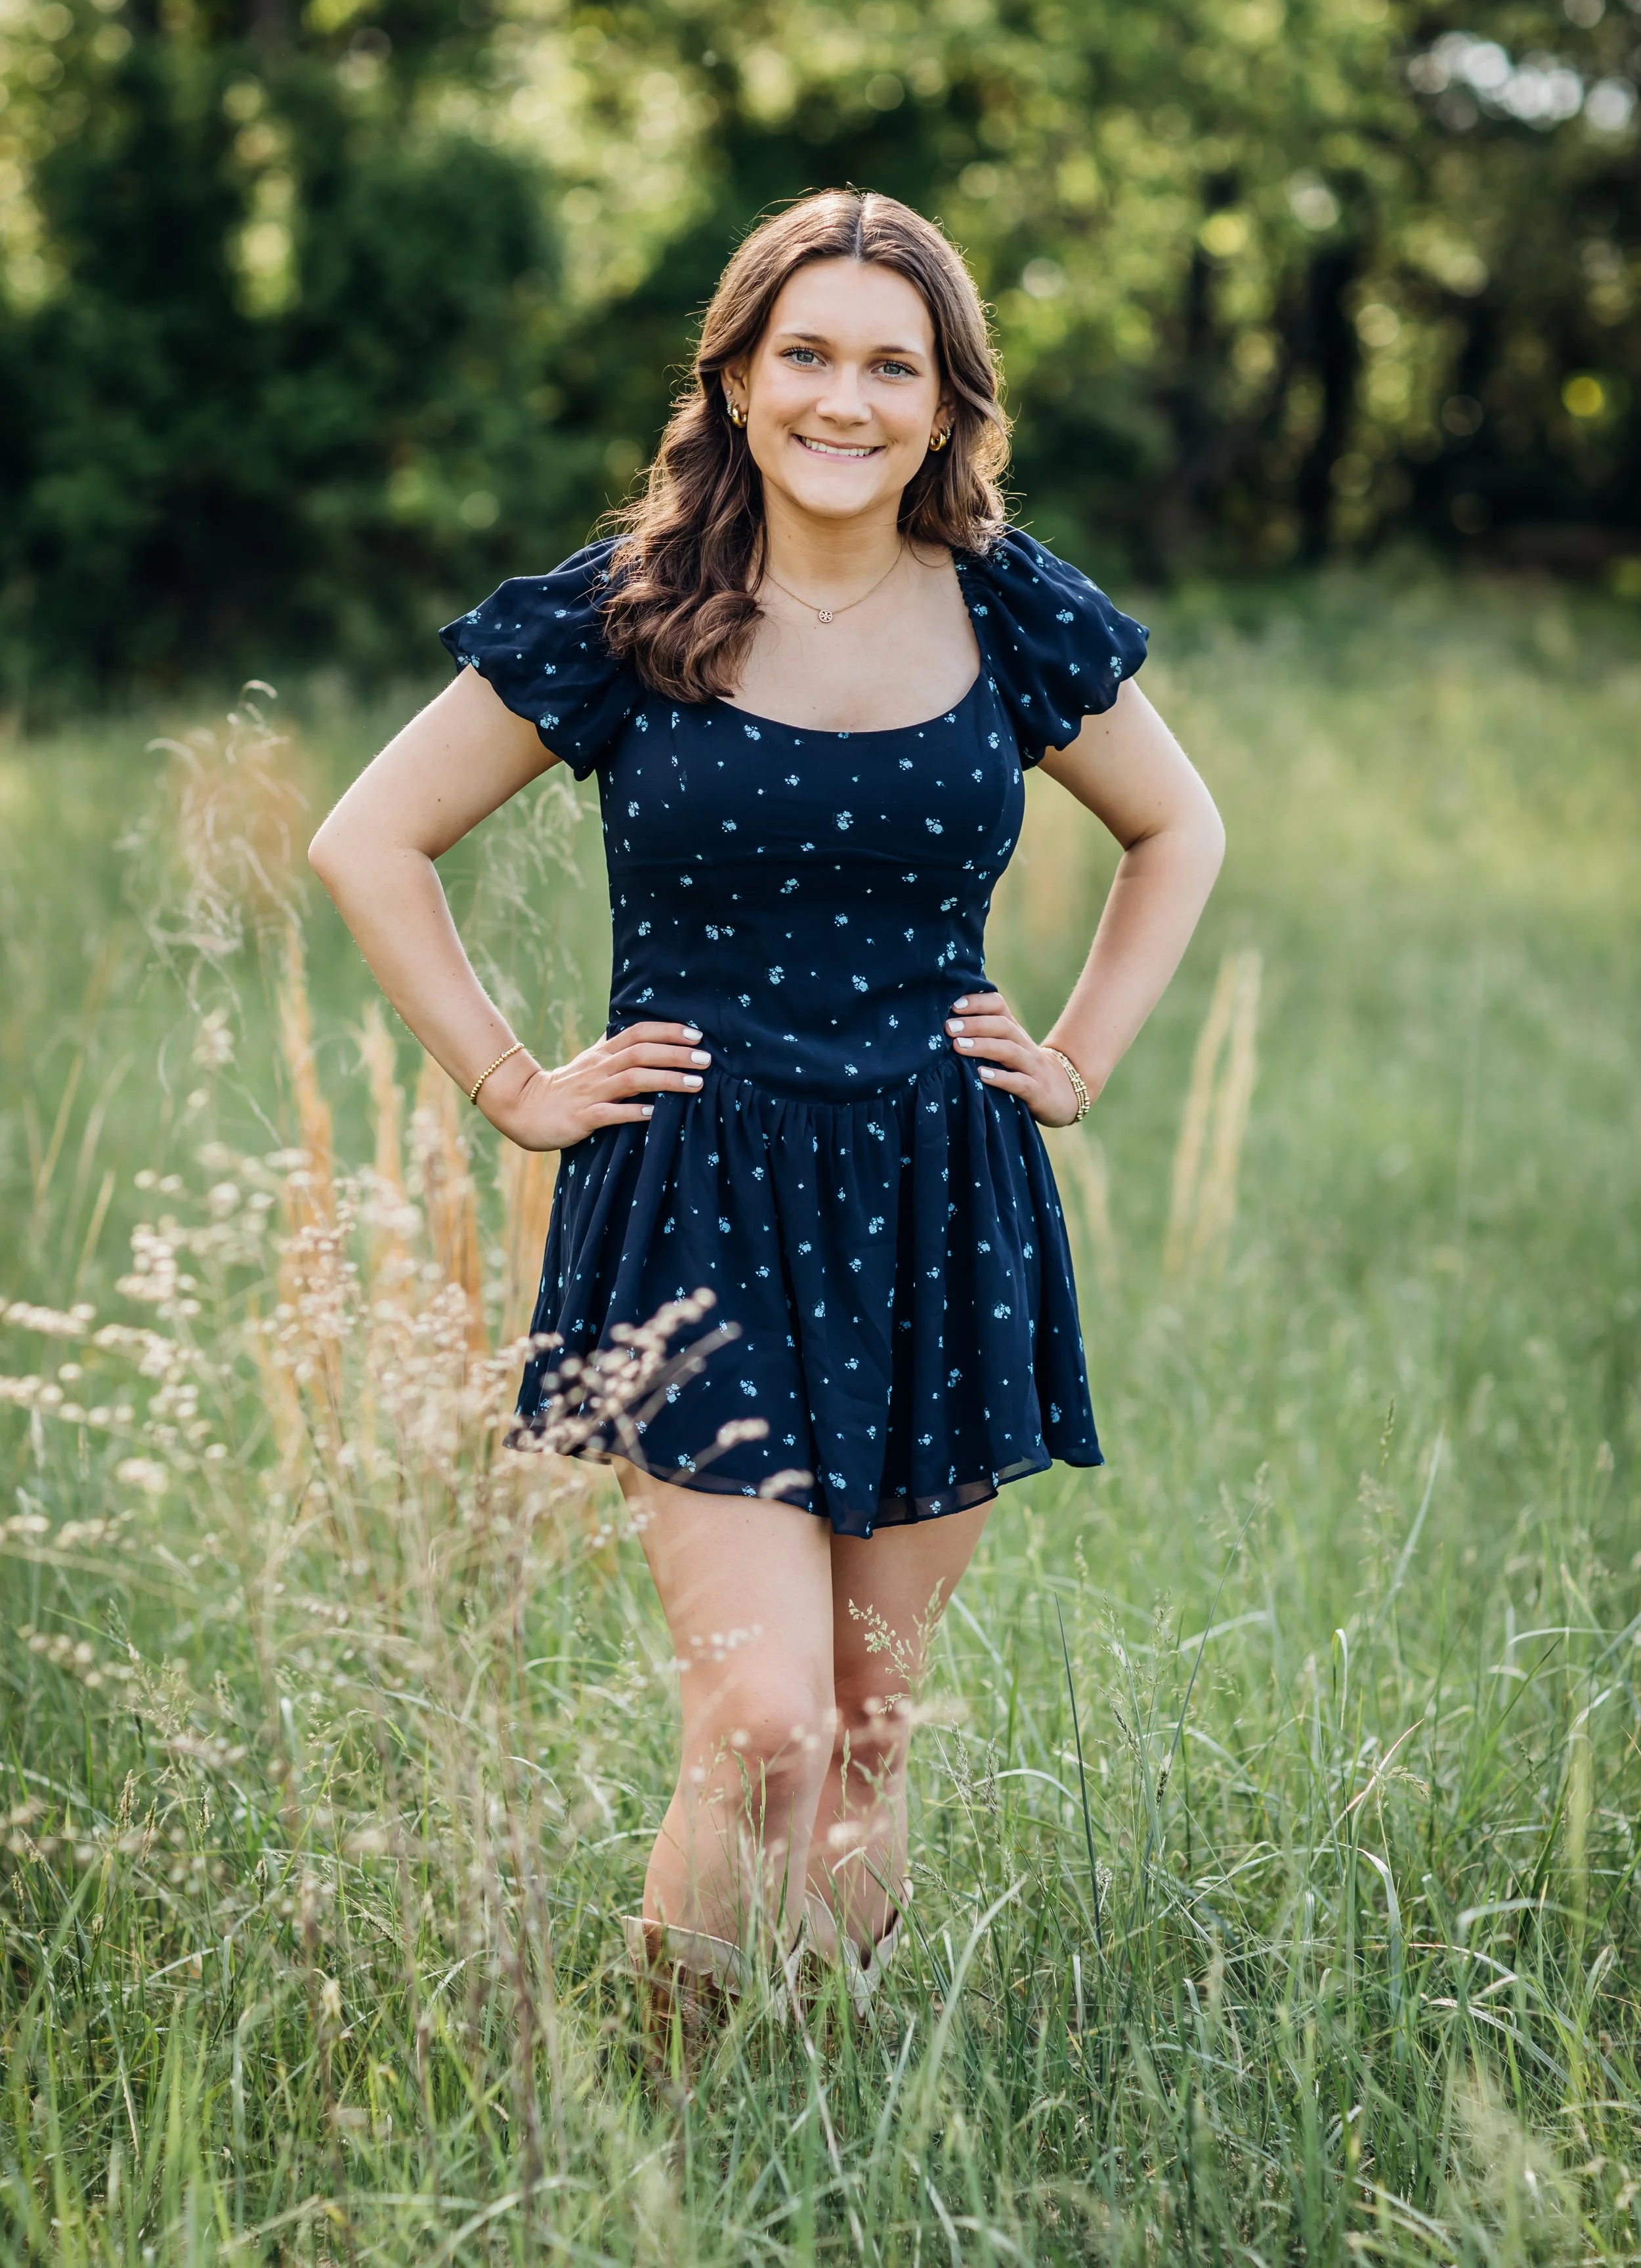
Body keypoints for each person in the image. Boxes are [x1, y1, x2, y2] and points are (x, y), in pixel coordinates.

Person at [309, 187, 1224, 2040]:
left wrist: (1075, 1056)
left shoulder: (1007, 609)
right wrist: (512, 1082)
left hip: (937, 1192)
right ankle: (667, 2138)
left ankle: (822, 2115)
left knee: (871, 1737)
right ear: (731, 376)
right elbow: (369, 836)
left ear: (948, 403)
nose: (844, 397)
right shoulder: (623, 612)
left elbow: (1177, 827)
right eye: (803, 352)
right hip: (694, 1200)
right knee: (761, 1730)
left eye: (893, 364)